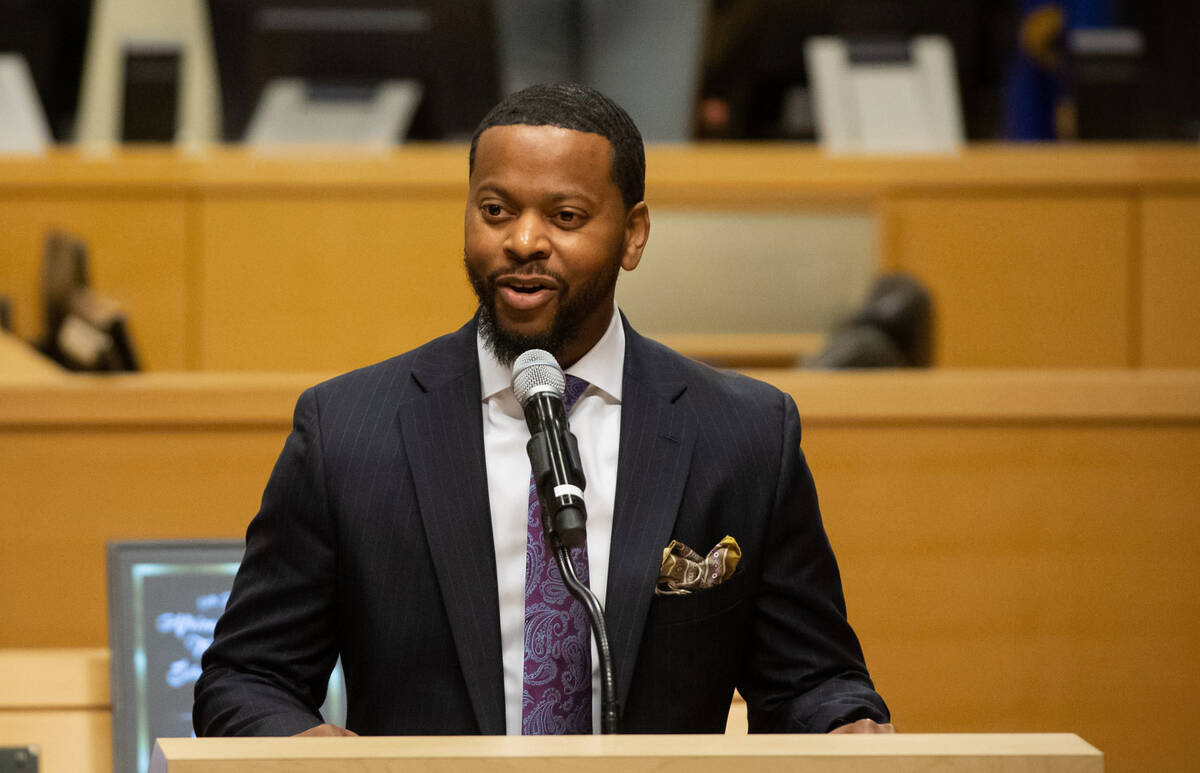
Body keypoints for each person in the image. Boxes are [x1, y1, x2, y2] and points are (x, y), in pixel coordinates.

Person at [194, 82, 891, 737]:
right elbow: (245, 678)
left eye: (565, 216)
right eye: (495, 210)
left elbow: (812, 679)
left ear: (634, 233)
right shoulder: (348, 431)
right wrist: (322, 751)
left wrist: (848, 725)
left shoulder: (742, 434)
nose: (523, 241)